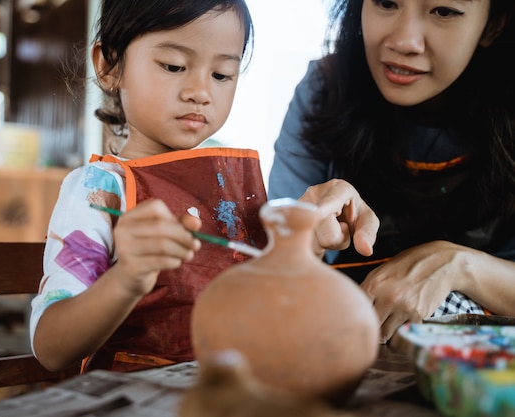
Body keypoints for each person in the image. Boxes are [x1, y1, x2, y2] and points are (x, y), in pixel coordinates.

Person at [29, 0, 272, 374]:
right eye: (174, 66)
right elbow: (50, 347)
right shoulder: (101, 190)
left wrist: (308, 241)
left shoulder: (231, 186)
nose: (200, 91)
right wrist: (127, 278)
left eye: (222, 74)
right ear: (109, 67)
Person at [268, 0, 515, 344]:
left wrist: (457, 264)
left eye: (444, 11)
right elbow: (267, 270)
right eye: (386, 3)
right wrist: (300, 235)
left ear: (494, 24)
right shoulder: (325, 90)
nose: (404, 42)